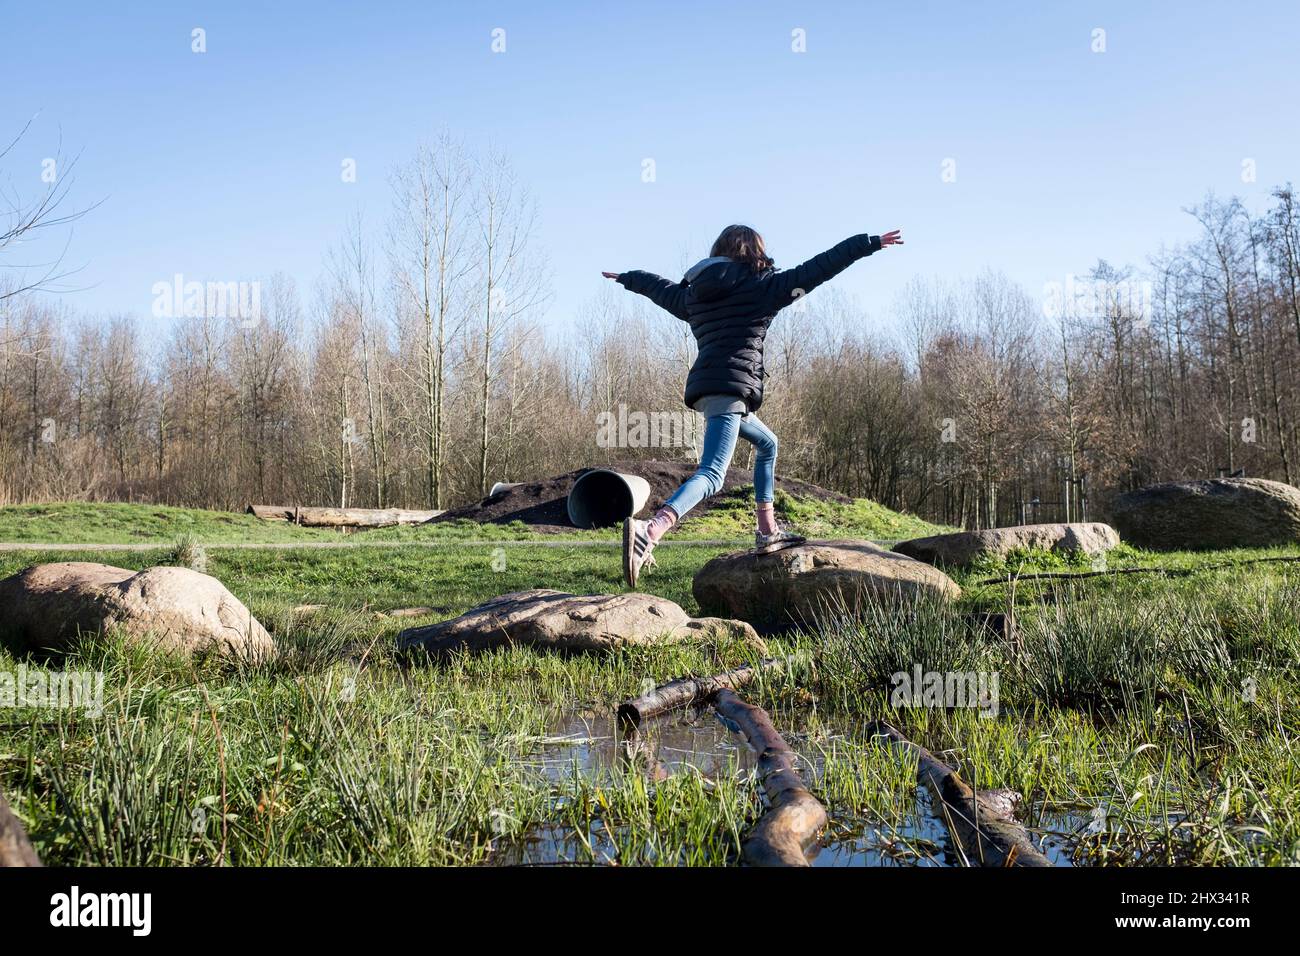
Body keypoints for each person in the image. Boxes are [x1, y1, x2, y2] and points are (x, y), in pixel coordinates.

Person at [603, 223, 904, 587]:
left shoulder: (695, 294)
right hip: (730, 392)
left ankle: (766, 530)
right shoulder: (765, 287)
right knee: (713, 475)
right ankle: (651, 529)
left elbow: (658, 288)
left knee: (768, 443)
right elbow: (821, 266)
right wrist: (867, 243)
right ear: (755, 252)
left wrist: (629, 278)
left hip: (711, 390)